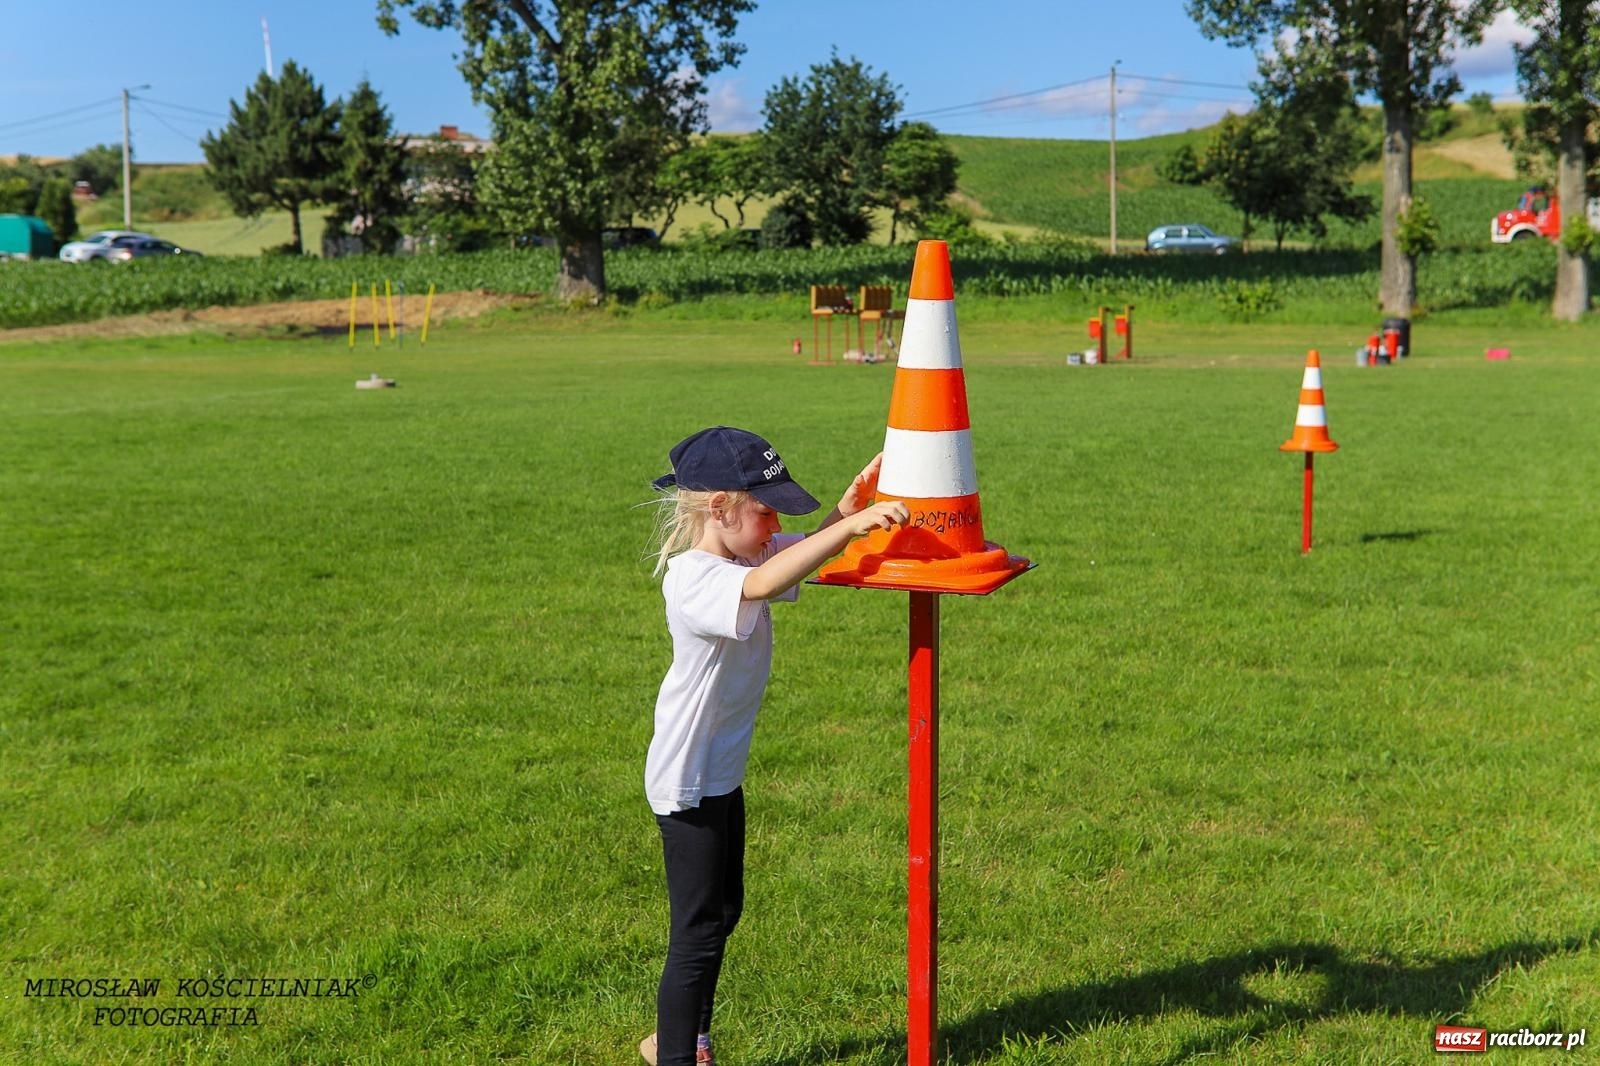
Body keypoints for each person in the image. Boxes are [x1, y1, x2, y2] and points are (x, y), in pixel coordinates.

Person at [639, 426, 907, 1066]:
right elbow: (761, 586)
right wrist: (846, 530)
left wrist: (844, 515)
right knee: (697, 933)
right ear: (718, 508)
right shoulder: (695, 577)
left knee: (723, 911)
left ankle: (680, 1040)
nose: (773, 524)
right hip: (685, 781)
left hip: (720, 775)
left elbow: (798, 554)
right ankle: (675, 1054)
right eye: (765, 511)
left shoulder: (742, 554)